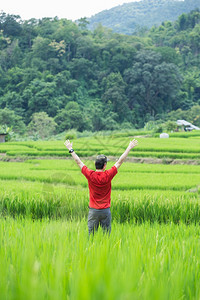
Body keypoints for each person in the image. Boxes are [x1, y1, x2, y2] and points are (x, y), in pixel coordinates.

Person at [64, 138, 138, 235]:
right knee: (106, 236)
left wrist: (71, 149)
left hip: (93, 211)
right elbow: (120, 161)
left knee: (91, 236)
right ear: (105, 165)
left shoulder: (90, 175)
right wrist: (129, 147)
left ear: (95, 165)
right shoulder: (108, 175)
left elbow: (78, 162)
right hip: (105, 211)